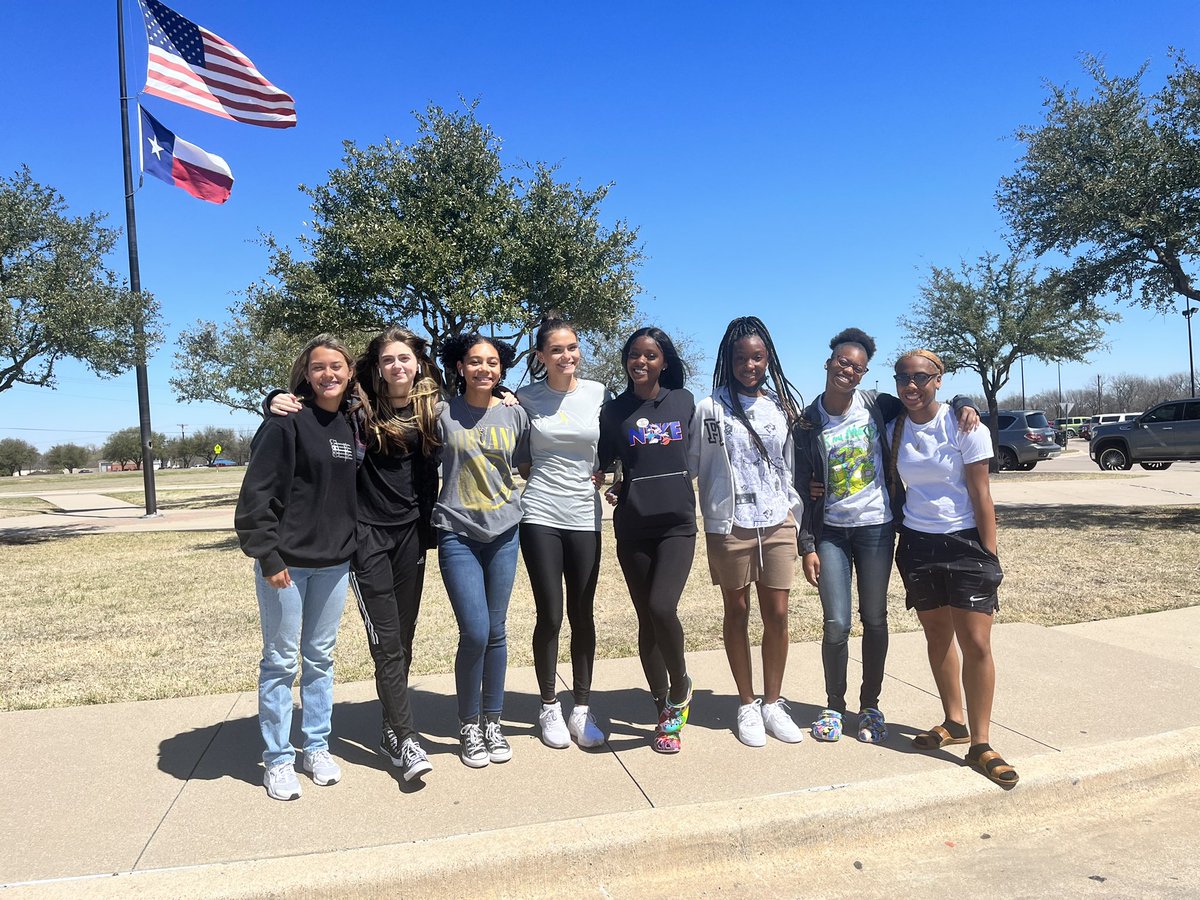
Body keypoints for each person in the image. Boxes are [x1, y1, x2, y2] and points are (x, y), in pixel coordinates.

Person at [795, 328, 977, 745]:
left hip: (877, 527)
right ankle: (834, 706)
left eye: (858, 367)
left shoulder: (879, 405)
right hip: (832, 533)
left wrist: (967, 404)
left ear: (864, 374)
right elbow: (801, 485)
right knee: (836, 622)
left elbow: (928, 401)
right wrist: (806, 545)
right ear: (829, 362)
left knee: (875, 619)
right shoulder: (807, 422)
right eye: (843, 362)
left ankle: (870, 705)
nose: (849, 371)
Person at [235, 334, 359, 801]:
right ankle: (278, 758)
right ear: (305, 374)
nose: (329, 374)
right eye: (319, 367)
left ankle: (317, 747)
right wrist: (268, 555)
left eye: (337, 367)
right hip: (286, 565)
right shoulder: (286, 421)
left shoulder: (353, 422)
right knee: (281, 662)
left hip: (334, 564)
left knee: (321, 659)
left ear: (350, 373)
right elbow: (256, 495)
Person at [889, 349, 1018, 787]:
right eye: (902, 377)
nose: (910, 385)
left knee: (977, 642)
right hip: (916, 544)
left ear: (938, 379)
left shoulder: (965, 424)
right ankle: (954, 720)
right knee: (937, 636)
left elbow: (982, 495)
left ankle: (980, 742)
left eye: (920, 377)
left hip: (964, 543)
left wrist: (989, 554)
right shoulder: (895, 427)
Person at [689, 317, 806, 747]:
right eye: (741, 358)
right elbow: (692, 465)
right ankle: (747, 703)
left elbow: (790, 464)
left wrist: (797, 514)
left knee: (777, 614)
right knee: (736, 611)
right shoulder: (710, 408)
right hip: (730, 525)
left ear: (768, 358)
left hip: (777, 522)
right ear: (729, 360)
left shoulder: (781, 408)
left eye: (757, 357)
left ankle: (773, 703)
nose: (749, 365)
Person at [598, 326, 696, 754]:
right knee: (646, 619)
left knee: (662, 607)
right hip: (633, 525)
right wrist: (615, 485)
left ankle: (680, 686)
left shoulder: (684, 402)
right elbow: (606, 463)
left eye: (650, 356)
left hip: (677, 524)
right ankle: (664, 709)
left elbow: (704, 454)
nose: (640, 362)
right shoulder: (613, 411)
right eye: (634, 355)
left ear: (665, 362)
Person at [435, 332, 531, 768]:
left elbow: (528, 463)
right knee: (474, 631)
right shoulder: (440, 413)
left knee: (497, 631)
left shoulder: (515, 414)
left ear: (501, 370)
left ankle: (494, 721)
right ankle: (468, 723)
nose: (484, 369)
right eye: (475, 362)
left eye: (492, 363)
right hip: (456, 530)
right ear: (460, 367)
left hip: (504, 531)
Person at [514, 314, 610, 750]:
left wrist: (612, 474)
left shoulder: (597, 393)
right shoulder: (524, 398)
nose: (567, 355)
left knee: (582, 613)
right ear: (541, 356)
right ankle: (549, 706)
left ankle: (583, 709)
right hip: (540, 513)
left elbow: (612, 445)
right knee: (550, 614)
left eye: (572, 347)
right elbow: (520, 457)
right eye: (556, 350)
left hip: (585, 516)